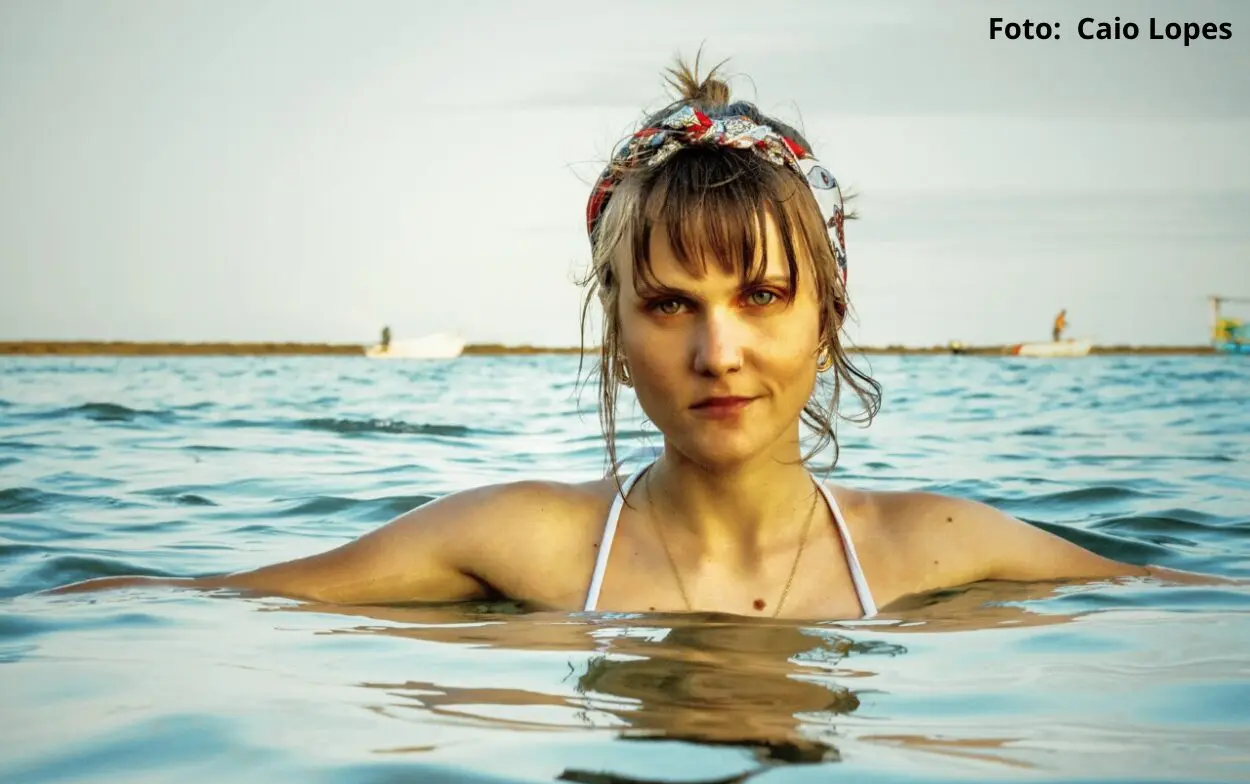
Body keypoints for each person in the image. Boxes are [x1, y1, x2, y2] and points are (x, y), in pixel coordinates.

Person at [55, 56, 1198, 618]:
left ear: (828, 312)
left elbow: (1186, 606)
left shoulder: (936, 548)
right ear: (614, 331)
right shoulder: (522, 544)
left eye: (760, 295)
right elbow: (200, 597)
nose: (718, 351)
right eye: (668, 304)